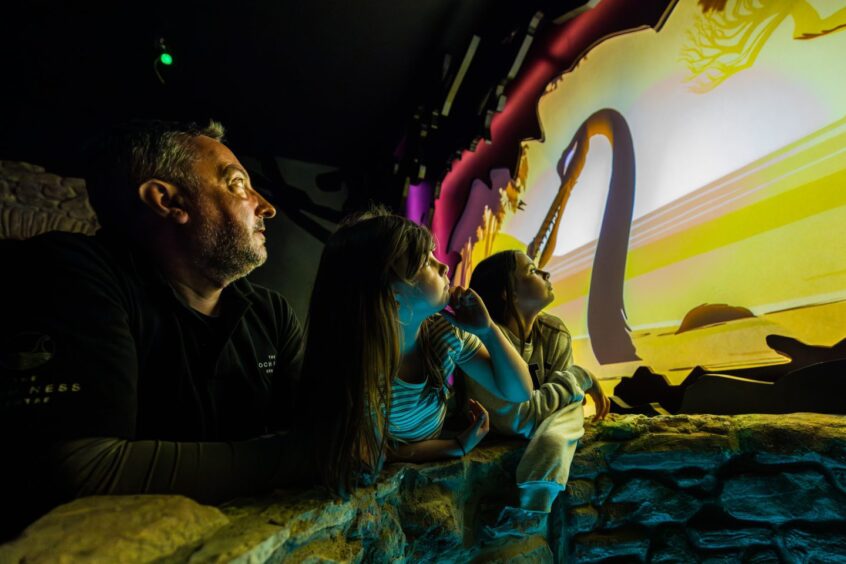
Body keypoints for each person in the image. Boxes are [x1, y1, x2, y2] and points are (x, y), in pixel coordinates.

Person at [0, 120, 305, 538]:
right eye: (238, 184)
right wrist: (308, 456)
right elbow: (87, 469)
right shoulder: (70, 273)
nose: (265, 205)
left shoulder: (271, 313)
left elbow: (317, 420)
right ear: (167, 200)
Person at [296, 207, 533, 494]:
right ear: (390, 290)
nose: (444, 266)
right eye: (427, 262)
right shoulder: (359, 368)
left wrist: (488, 331)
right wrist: (454, 446)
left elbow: (519, 392)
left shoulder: (445, 331)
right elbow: (376, 456)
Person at [466, 250, 610, 516]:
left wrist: (571, 394)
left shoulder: (554, 332)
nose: (546, 273)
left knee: (572, 406)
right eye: (532, 271)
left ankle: (538, 489)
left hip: (532, 442)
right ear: (508, 293)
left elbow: (563, 407)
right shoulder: (479, 344)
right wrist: (580, 378)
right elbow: (520, 421)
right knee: (572, 404)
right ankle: (538, 489)